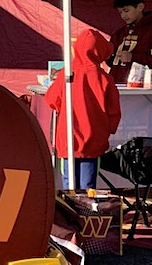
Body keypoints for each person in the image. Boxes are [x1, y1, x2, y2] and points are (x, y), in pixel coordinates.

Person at [46, 28, 121, 190]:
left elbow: (51, 100)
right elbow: (114, 110)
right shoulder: (105, 78)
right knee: (88, 188)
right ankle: (86, 215)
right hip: (93, 140)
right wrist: (108, 129)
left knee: (69, 187)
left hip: (68, 140)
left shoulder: (66, 74)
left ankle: (70, 215)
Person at [107, 0, 152, 83]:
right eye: (120, 12)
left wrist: (133, 57)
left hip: (144, 92)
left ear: (140, 7)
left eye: (126, 11)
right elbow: (111, 62)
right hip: (116, 87)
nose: (123, 16)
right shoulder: (119, 34)